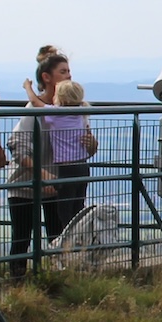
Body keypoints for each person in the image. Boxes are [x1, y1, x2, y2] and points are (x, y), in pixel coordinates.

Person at [6, 45, 69, 274]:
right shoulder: (33, 111)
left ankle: (52, 279)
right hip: (26, 183)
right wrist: (44, 175)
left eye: (68, 72)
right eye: (63, 72)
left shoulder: (68, 110)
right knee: (22, 238)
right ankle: (19, 285)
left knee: (57, 235)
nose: (68, 76)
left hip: (52, 184)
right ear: (47, 77)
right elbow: (18, 146)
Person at [42, 77, 99, 242]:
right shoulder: (81, 114)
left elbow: (36, 104)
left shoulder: (56, 115)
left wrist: (28, 88)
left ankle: (68, 242)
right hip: (83, 166)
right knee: (78, 207)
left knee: (64, 209)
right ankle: (80, 239)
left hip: (67, 168)